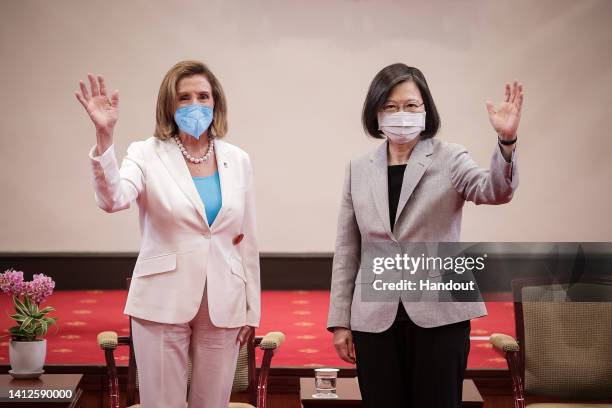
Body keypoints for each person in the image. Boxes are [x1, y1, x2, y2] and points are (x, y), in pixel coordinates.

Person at [327, 63, 523, 407]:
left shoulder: (450, 158)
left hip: (440, 315)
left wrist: (506, 141)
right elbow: (347, 250)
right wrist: (341, 322)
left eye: (411, 105)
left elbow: (495, 190)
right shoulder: (358, 168)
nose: (401, 114)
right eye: (390, 106)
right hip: (374, 319)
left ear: (425, 109)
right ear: (375, 113)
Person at [76, 60, 260, 408]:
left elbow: (245, 237)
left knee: (213, 403)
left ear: (215, 102)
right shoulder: (145, 154)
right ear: (169, 106)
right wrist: (104, 136)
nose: (195, 105)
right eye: (184, 98)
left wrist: (252, 310)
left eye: (203, 96)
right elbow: (113, 199)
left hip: (224, 300)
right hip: (162, 298)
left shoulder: (238, 160)